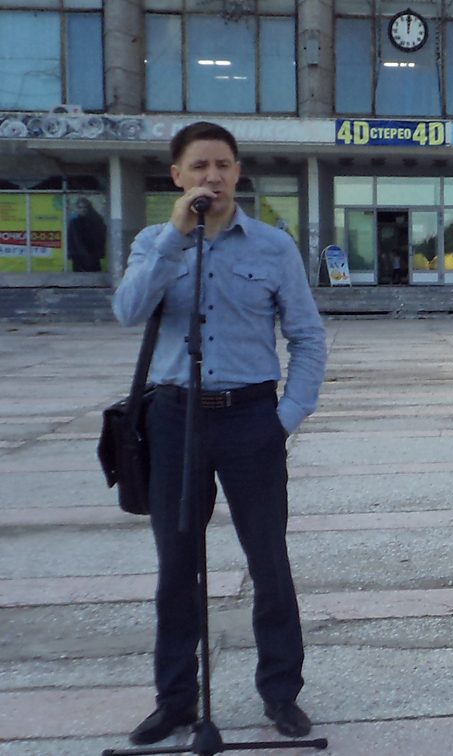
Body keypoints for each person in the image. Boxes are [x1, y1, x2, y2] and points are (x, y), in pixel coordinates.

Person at [113, 122, 327, 745]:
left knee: (270, 563)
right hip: (174, 418)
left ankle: (281, 694)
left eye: (224, 165)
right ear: (177, 176)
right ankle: (176, 698)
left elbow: (308, 336)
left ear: (238, 173)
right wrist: (175, 240)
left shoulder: (272, 247)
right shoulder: (153, 242)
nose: (213, 176)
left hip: (250, 418)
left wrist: (287, 415)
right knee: (177, 569)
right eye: (200, 166)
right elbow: (127, 312)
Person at [67, 197, 107, 272]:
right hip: (79, 258)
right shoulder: (74, 223)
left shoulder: (96, 221)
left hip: (93, 257)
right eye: (80, 207)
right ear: (77, 209)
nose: (83, 209)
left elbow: (101, 238)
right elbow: (71, 240)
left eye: (85, 207)